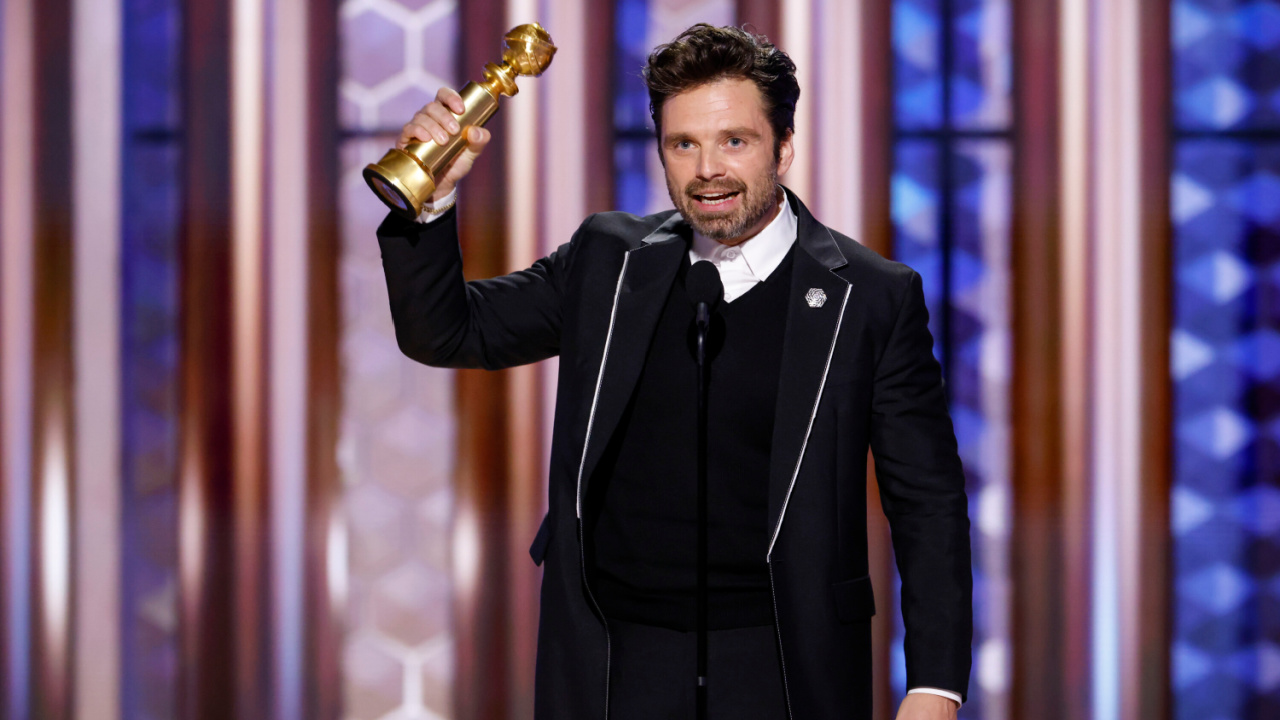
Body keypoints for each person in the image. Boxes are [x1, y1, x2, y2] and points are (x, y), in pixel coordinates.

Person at [378, 23, 971, 720]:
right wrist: (431, 200)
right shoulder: (608, 259)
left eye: (734, 141)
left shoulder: (870, 295)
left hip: (783, 660)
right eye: (682, 144)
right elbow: (448, 332)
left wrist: (934, 685)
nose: (707, 169)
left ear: (784, 146)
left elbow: (926, 500)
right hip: (615, 660)